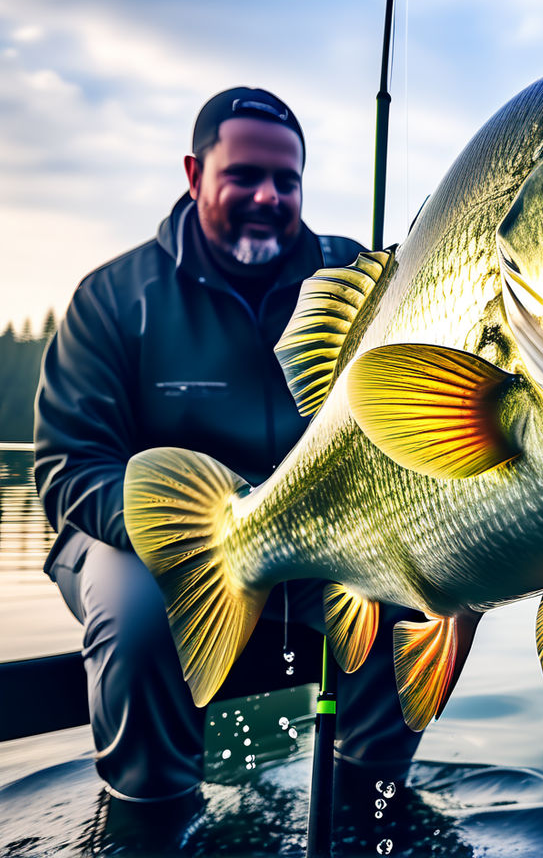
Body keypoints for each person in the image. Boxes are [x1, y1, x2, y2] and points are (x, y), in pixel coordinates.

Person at [33, 88, 421, 839]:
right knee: (140, 621)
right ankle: (150, 824)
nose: (268, 197)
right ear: (193, 173)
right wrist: (186, 537)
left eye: (287, 179)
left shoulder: (359, 278)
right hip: (139, 544)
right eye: (244, 175)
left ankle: (370, 809)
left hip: (317, 537)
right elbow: (68, 466)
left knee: (410, 596)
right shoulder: (116, 299)